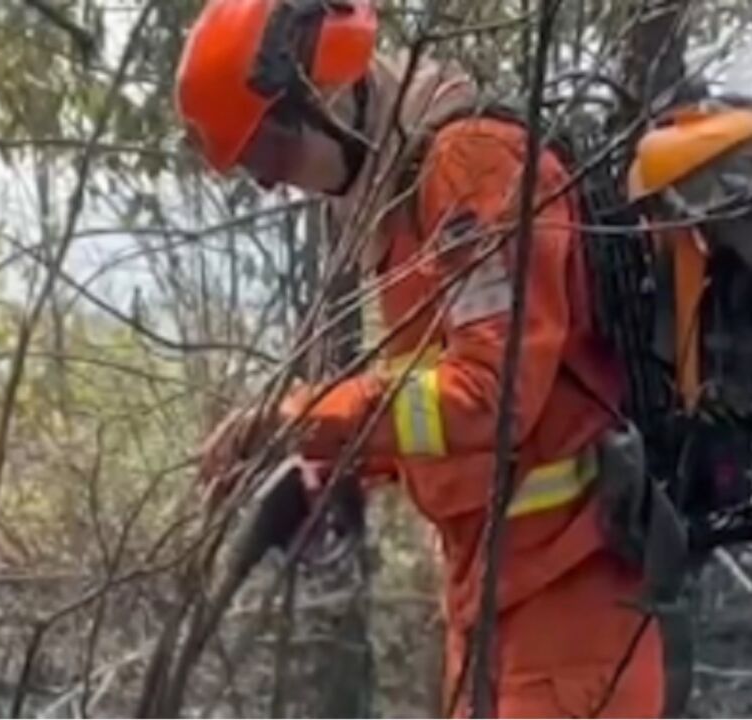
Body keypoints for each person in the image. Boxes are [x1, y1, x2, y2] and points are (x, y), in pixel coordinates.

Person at [175, 0, 664, 716]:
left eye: (266, 155)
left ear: (321, 97)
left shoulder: (472, 165)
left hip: (571, 611)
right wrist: (328, 464)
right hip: (493, 607)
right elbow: (433, 404)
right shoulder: (400, 197)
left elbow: (487, 398)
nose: (270, 184)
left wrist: (300, 418)